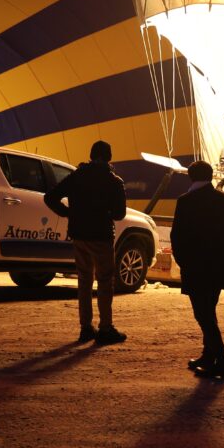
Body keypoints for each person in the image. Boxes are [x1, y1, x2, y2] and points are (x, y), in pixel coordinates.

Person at [44, 140, 127, 345]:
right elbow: (119, 214)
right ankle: (105, 328)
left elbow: (50, 197)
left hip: (79, 235)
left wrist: (69, 213)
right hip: (101, 237)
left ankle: (85, 327)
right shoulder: (114, 181)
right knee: (105, 281)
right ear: (109, 157)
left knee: (84, 281)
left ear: (91, 155)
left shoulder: (76, 176)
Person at [171, 161, 224, 379]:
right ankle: (208, 356)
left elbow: (177, 237)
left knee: (203, 315)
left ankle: (223, 361)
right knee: (209, 312)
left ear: (190, 176)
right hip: (217, 266)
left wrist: (183, 262)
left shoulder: (185, 201)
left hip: (195, 267)